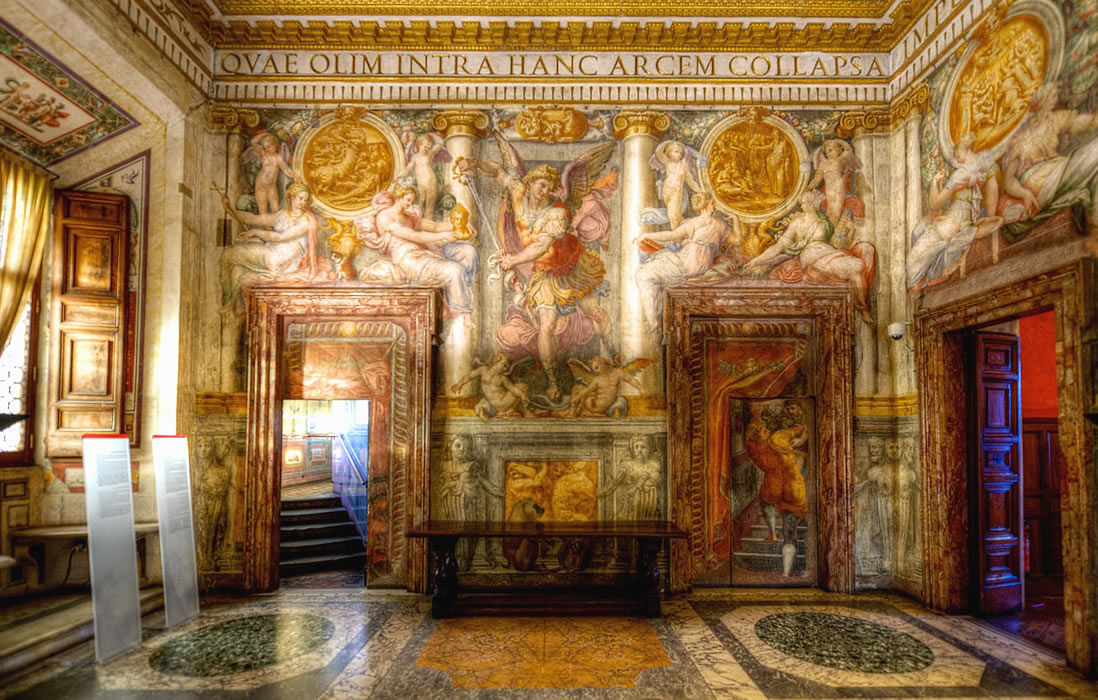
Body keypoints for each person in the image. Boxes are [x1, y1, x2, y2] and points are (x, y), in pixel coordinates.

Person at [461, 159, 615, 399]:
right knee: (547, 326)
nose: (545, 191)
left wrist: (513, 260)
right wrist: (475, 164)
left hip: (571, 267)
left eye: (549, 187)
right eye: (541, 185)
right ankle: (553, 381)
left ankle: (613, 351)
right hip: (546, 273)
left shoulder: (558, 213)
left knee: (596, 313)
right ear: (531, 183)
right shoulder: (519, 193)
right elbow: (498, 171)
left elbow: (541, 246)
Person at [746, 190, 876, 323]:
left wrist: (851, 230)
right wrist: (757, 260)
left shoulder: (825, 222)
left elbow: (839, 245)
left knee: (862, 258)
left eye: (803, 203)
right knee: (857, 266)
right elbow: (778, 247)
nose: (801, 206)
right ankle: (863, 308)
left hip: (830, 252)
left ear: (811, 204)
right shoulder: (798, 223)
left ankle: (862, 307)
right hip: (812, 257)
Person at [355, 184, 478, 314]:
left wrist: (462, 225)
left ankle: (459, 289)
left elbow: (434, 226)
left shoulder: (407, 215)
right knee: (454, 269)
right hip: (408, 259)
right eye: (408, 200)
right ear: (399, 197)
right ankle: (461, 312)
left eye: (412, 201)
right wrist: (443, 236)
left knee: (468, 251)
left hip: (426, 250)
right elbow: (413, 236)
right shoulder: (385, 217)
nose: (410, 204)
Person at [999, 88, 1098, 239]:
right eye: (1052, 95)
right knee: (1094, 151)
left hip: (1057, 170)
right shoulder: (1018, 135)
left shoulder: (1053, 119)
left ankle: (1095, 229)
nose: (1056, 98)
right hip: (1037, 182)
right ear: (1041, 100)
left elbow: (1084, 123)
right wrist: (1025, 193)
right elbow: (1008, 180)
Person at [906, 135, 1001, 291]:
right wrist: (990, 215)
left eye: (957, 154)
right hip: (964, 217)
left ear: (965, 150)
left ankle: (917, 282)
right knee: (922, 233)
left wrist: (935, 181)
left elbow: (935, 203)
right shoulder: (984, 165)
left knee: (912, 262)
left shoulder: (960, 174)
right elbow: (993, 187)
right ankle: (920, 280)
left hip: (954, 219)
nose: (956, 159)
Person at [634, 192, 741, 330]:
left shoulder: (695, 223)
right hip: (697, 264)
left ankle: (652, 319)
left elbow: (672, 235)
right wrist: (735, 219)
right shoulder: (719, 225)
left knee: (643, 275)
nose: (714, 206)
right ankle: (653, 317)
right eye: (712, 203)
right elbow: (737, 239)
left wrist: (646, 235)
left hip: (686, 264)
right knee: (650, 270)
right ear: (705, 205)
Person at [219, 182, 319, 312]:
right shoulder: (283, 214)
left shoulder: (305, 221)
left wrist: (255, 232)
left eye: (305, 200)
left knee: (227, 256)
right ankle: (230, 302)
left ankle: (228, 300)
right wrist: (230, 209)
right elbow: (255, 219)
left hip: (279, 260)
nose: (303, 202)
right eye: (300, 198)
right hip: (271, 253)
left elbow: (280, 237)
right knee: (237, 270)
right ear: (292, 196)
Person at [450, 353, 533, 421]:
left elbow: (513, 389)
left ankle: (523, 411)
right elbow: (469, 376)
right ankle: (524, 411)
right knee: (523, 387)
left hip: (501, 403)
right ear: (497, 361)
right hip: (500, 404)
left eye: (506, 367)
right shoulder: (483, 370)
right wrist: (459, 384)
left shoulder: (502, 378)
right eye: (504, 365)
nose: (505, 369)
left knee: (520, 389)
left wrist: (522, 395)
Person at [395, 132, 448, 220]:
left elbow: (440, 143)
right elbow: (407, 169)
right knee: (418, 205)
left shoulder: (430, 154)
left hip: (432, 183)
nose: (426, 149)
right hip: (421, 185)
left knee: (430, 207)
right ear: (419, 144)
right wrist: (398, 176)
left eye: (428, 147)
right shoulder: (415, 158)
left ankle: (427, 224)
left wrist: (432, 135)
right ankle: (416, 223)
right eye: (424, 146)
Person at [650, 140, 703, 229]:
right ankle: (684, 231)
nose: (679, 154)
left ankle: (676, 235)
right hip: (666, 191)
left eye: (680, 152)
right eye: (676, 151)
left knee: (673, 216)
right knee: (677, 216)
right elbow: (658, 151)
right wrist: (669, 142)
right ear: (669, 152)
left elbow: (690, 181)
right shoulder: (668, 162)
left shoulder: (684, 165)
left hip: (676, 192)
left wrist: (700, 190)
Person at [247, 132, 296, 214]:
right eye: (265, 148)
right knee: (262, 209)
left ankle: (273, 222)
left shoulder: (278, 158)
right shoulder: (263, 154)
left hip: (271, 187)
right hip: (260, 185)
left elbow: (286, 169)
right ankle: (265, 222)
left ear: (274, 145)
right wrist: (263, 134)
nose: (267, 149)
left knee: (275, 209)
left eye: (268, 147)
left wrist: (295, 176)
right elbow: (253, 142)